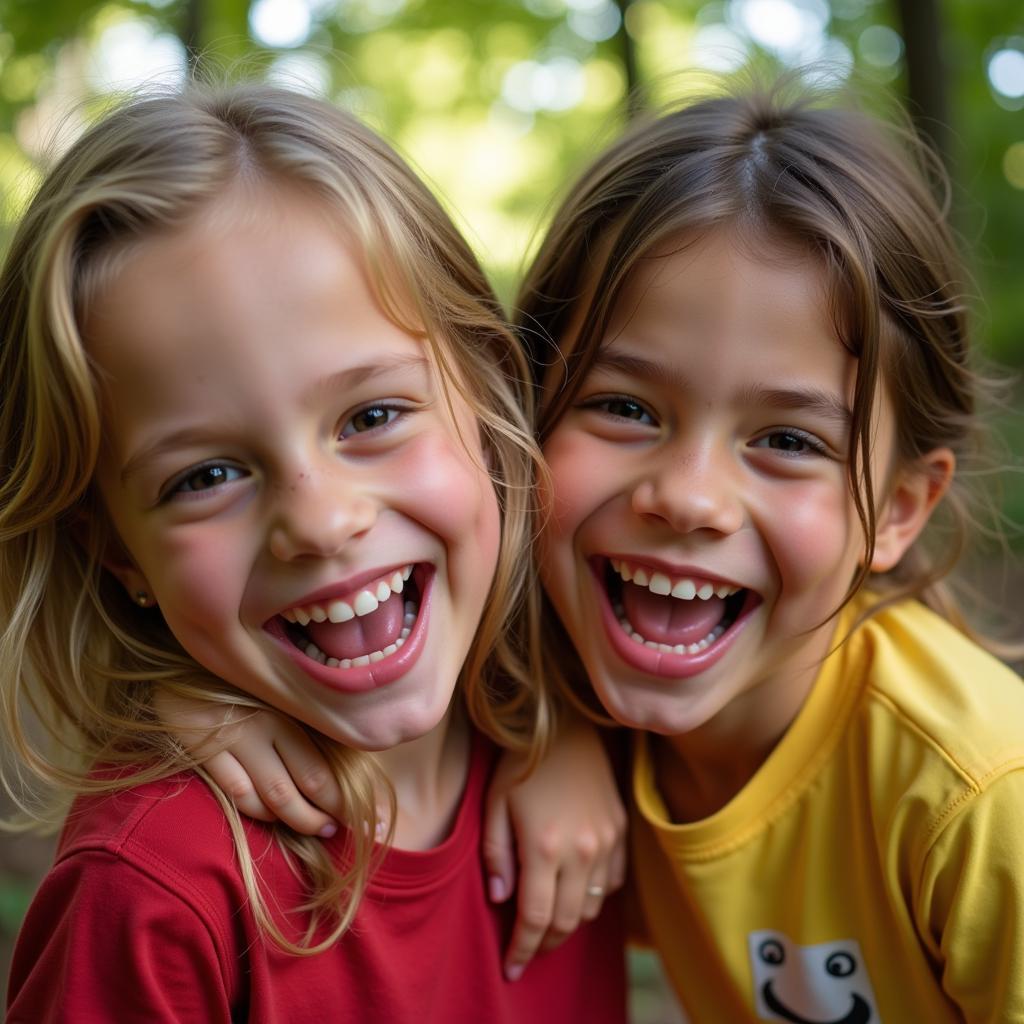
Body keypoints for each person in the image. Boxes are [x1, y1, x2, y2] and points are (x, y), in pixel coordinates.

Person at [200, 78, 1024, 1021]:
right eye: (625, 409)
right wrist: (199, 708)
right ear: (521, 420)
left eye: (789, 441)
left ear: (903, 507)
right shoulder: (542, 674)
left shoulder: (984, 803)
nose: (687, 497)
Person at [0, 83, 627, 1023]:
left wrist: (572, 733)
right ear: (116, 552)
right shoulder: (154, 896)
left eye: (372, 417)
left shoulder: (616, 702)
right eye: (204, 476)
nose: (322, 521)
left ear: (489, 395)